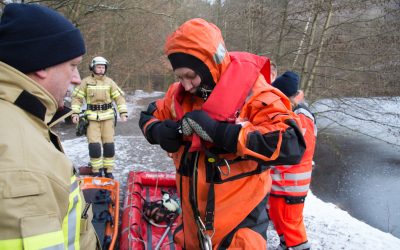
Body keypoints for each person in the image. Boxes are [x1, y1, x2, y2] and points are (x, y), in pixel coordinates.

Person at [139, 18, 306, 249]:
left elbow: (292, 144)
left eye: (190, 76)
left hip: (238, 230)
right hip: (191, 230)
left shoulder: (256, 95)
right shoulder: (179, 97)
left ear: (210, 65)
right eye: (179, 77)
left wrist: (222, 133)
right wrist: (157, 131)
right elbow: (148, 117)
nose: (186, 85)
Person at [0, 3, 98, 249]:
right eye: (73, 65)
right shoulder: (23, 165)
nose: (77, 78)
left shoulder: (22, 117)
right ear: (41, 65)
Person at [269, 71, 317, 250]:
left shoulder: (302, 116)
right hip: (280, 182)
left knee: (292, 226)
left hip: (292, 185)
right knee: (278, 219)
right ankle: (284, 245)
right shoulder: (290, 112)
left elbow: (298, 151)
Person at [71, 56, 128, 179]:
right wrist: (75, 113)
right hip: (92, 120)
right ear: (92, 68)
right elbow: (77, 98)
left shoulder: (110, 82)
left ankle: (108, 171)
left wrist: (123, 112)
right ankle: (96, 170)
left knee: (109, 146)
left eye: (103, 67)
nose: (101, 70)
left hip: (107, 118)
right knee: (94, 146)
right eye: (99, 67)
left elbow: (119, 98)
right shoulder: (85, 82)